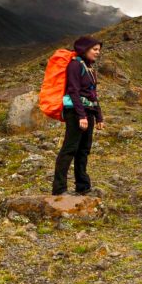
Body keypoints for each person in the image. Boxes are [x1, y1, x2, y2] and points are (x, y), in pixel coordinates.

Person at [51, 36, 105, 195]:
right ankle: (59, 189)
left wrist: (99, 117)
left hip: (87, 111)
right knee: (70, 149)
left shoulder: (89, 68)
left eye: (99, 50)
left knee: (84, 150)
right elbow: (73, 91)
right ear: (85, 49)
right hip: (75, 112)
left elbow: (92, 94)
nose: (97, 53)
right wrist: (81, 116)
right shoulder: (75, 65)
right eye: (95, 49)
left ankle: (83, 186)